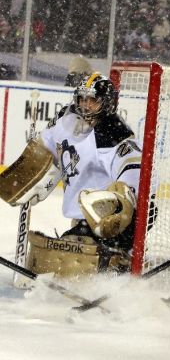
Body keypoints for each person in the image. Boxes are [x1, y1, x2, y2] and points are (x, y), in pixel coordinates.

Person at [0, 73, 141, 277]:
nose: (85, 105)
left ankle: (119, 260)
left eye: (92, 100)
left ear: (107, 103)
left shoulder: (112, 133)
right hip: (81, 224)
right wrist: (28, 173)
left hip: (108, 226)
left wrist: (119, 214)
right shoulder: (67, 119)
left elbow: (132, 178)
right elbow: (43, 150)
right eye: (82, 99)